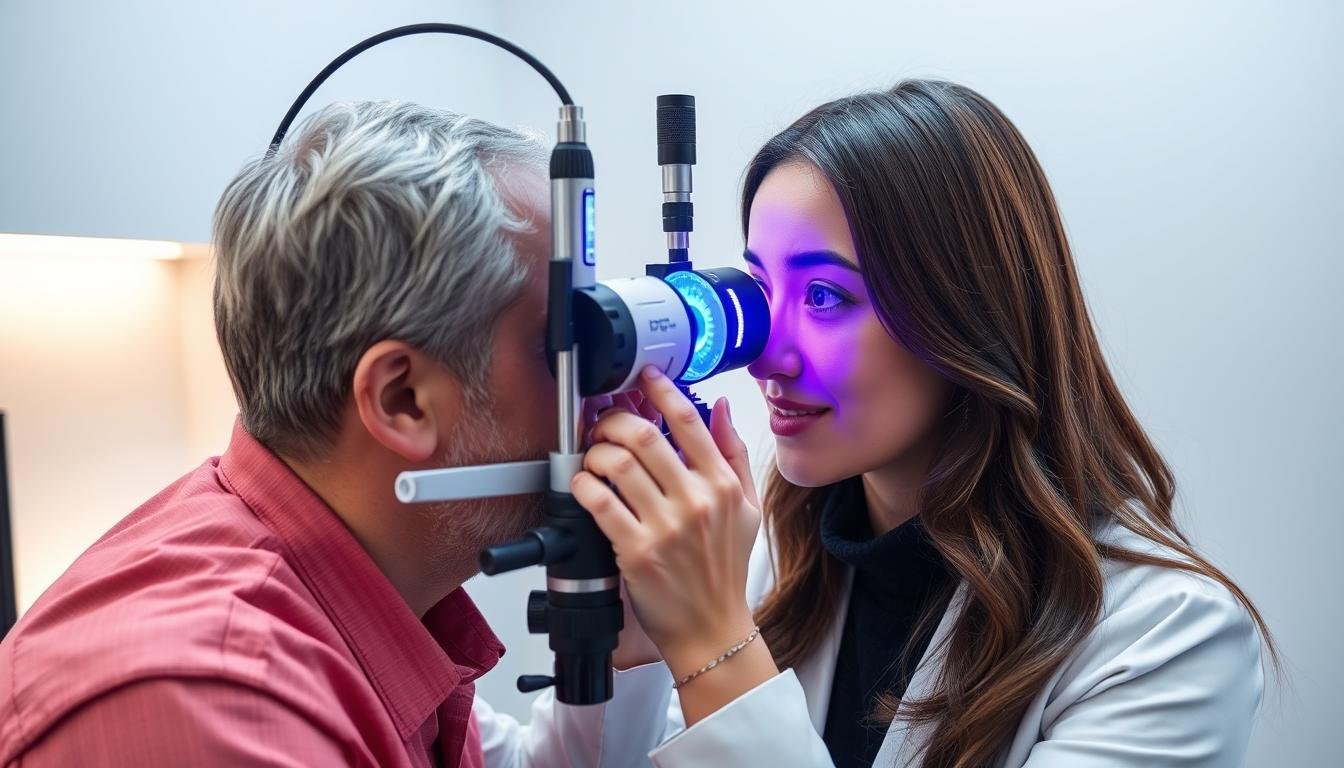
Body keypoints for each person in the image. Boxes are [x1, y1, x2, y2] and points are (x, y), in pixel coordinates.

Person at [567, 80, 1273, 766]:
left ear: (965, 316)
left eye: (823, 295)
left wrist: (711, 642)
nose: (767, 359)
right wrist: (634, 644)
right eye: (760, 290)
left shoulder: (1167, 639)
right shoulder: (767, 564)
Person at [0, 101, 646, 767]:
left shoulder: (357, 602)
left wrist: (641, 634)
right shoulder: (219, 705)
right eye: (564, 351)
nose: (607, 395)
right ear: (402, 399)